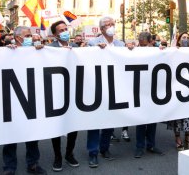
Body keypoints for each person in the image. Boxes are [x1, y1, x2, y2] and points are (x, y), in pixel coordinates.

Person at [2, 26, 46, 174]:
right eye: (27, 35)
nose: (30, 38)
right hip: (12, 99)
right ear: (17, 37)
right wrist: (6, 50)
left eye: (31, 35)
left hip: (32, 98)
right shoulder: (8, 51)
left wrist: (43, 50)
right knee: (9, 135)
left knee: (32, 134)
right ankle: (9, 167)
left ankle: (33, 163)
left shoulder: (37, 50)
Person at [86, 16, 125, 167]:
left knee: (110, 120)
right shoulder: (93, 43)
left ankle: (105, 148)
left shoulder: (120, 44)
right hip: (96, 87)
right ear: (101, 29)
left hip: (115, 88)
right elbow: (87, 60)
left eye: (112, 24)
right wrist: (96, 50)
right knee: (95, 121)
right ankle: (93, 152)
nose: (111, 26)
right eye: (107, 25)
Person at [47, 20, 79, 171]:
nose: (65, 31)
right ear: (55, 34)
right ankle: (57, 156)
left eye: (66, 29)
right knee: (56, 126)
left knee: (73, 125)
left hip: (73, 92)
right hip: (56, 93)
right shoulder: (49, 48)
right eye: (61, 30)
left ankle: (69, 154)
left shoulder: (77, 48)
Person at [167, 32, 189, 150]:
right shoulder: (174, 51)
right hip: (177, 89)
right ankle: (178, 138)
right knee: (178, 116)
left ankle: (188, 138)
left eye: (188, 38)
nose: (186, 40)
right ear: (179, 40)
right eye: (183, 38)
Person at [134, 31, 165, 158]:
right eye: (140, 45)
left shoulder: (157, 51)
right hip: (140, 91)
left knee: (152, 120)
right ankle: (140, 147)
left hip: (153, 91)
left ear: (150, 42)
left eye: (144, 45)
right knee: (141, 121)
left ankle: (151, 144)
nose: (142, 48)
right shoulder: (134, 51)